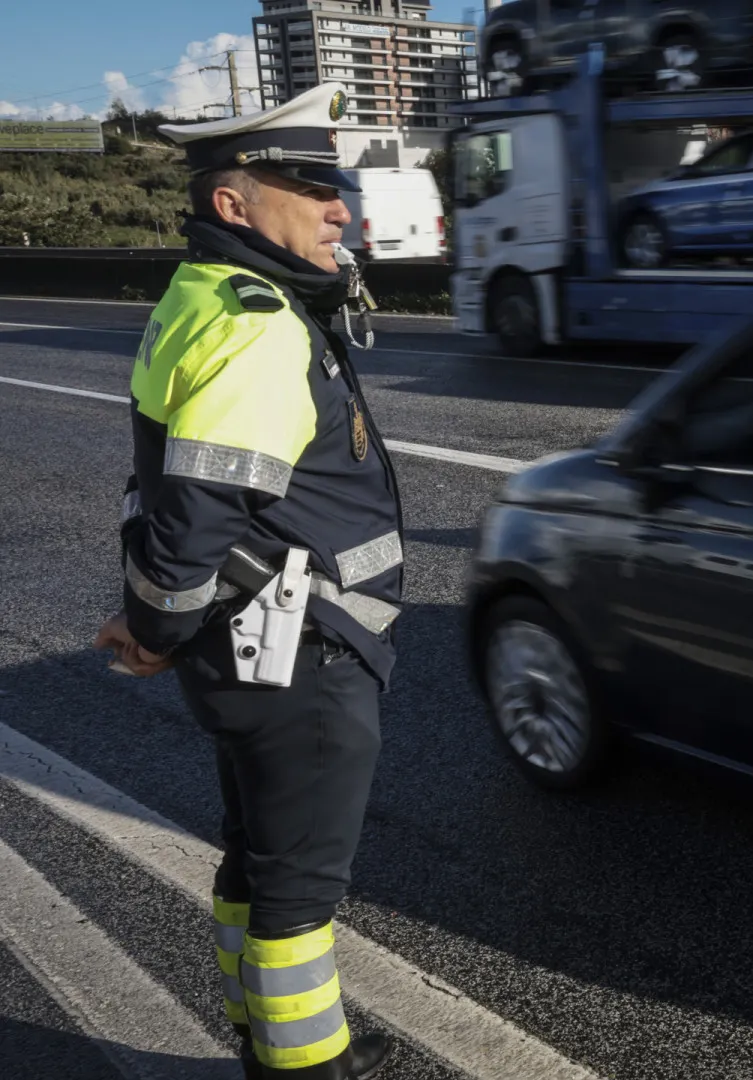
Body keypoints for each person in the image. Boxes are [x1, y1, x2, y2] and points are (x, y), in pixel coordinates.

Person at [91, 82, 403, 1080]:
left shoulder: (202, 297)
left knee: (256, 856)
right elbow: (192, 526)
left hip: (250, 644)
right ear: (235, 205)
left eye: (335, 182)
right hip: (300, 652)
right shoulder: (259, 324)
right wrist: (153, 629)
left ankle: (251, 1029)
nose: (337, 204)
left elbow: (173, 508)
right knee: (298, 897)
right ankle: (303, 1065)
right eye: (309, 184)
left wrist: (162, 625)